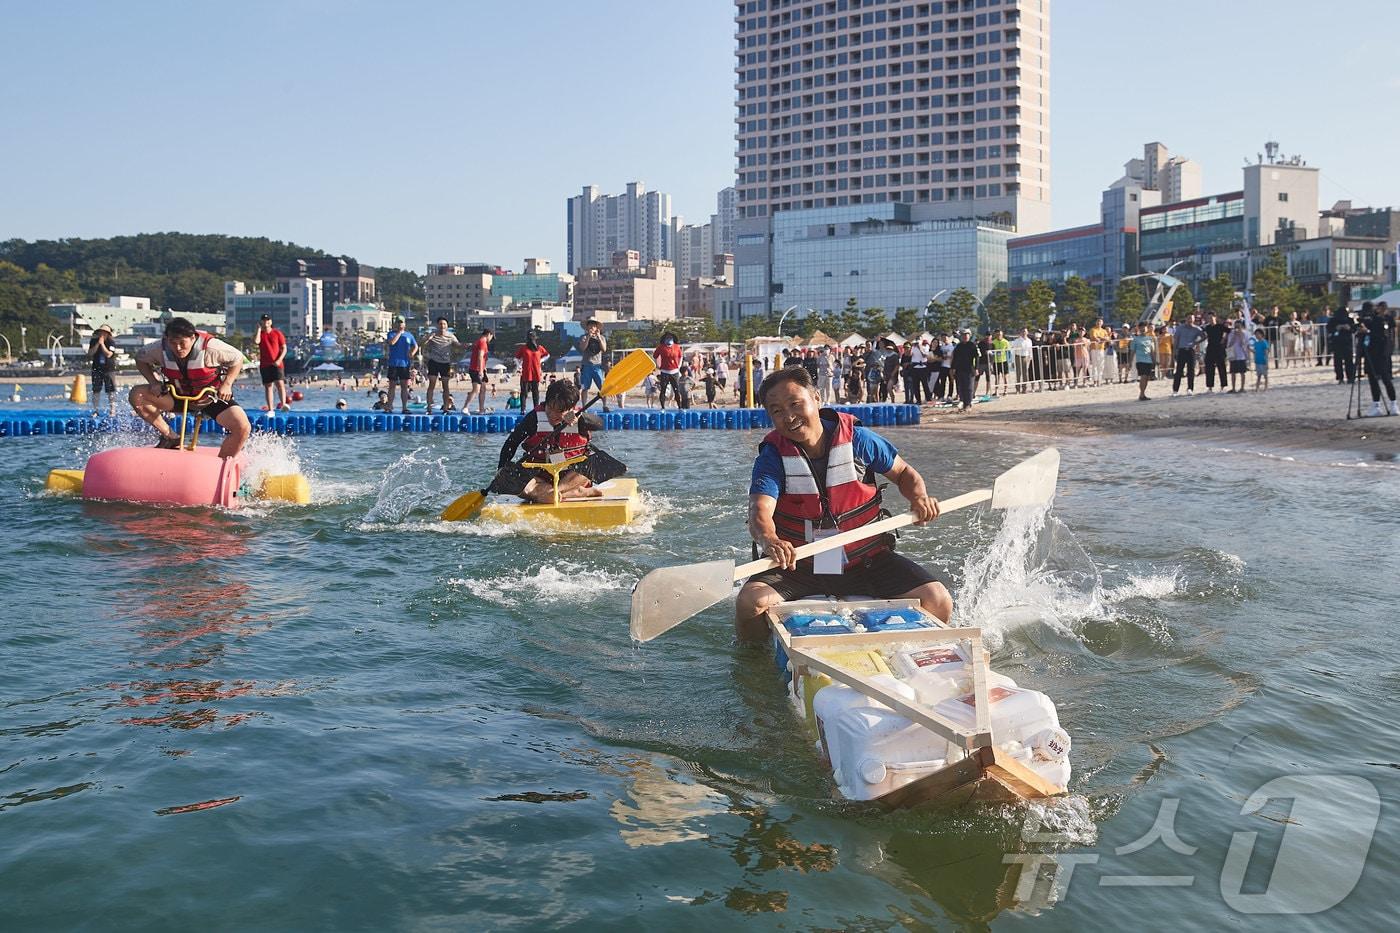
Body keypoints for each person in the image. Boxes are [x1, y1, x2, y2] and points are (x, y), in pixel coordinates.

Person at [733, 365, 951, 641]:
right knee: (749, 603)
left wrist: (919, 498)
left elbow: (905, 474)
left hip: (867, 562)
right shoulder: (772, 456)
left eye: (795, 404)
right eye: (776, 411)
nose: (788, 417)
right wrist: (770, 540)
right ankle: (756, 657)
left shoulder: (859, 440)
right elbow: (759, 511)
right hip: (799, 567)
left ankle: (927, 654)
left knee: (937, 599)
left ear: (817, 399)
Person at [129, 317, 250, 458]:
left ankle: (221, 465)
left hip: (211, 398)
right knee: (137, 394)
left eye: (182, 343)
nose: (178, 348)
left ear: (192, 338)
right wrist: (154, 382)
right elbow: (140, 359)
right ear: (167, 339)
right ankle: (170, 436)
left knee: (242, 428)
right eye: (173, 343)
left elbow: (238, 358)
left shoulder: (212, 347)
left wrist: (227, 384)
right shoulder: (159, 349)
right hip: (177, 396)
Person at [495, 380, 623, 504]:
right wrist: (501, 469)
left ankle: (552, 494)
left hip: (572, 476)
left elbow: (600, 424)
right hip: (540, 476)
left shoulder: (580, 418)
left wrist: (580, 418)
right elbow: (511, 443)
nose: (552, 414)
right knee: (514, 482)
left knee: (593, 464)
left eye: (559, 411)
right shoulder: (534, 418)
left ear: (571, 408)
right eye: (550, 408)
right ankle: (572, 493)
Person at [1358, 301, 1397, 416]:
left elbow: (1381, 336)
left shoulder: (1381, 320)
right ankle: (1376, 405)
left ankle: (1393, 404)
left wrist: (1368, 331)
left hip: (1381, 354)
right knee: (1373, 380)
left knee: (1386, 378)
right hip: (1370, 354)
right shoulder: (1369, 320)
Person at [419, 317, 462, 413]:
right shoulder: (433, 334)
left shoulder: (451, 336)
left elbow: (458, 345)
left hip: (445, 363)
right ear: (437, 325)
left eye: (444, 324)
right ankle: (429, 408)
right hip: (434, 361)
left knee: (445, 386)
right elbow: (422, 344)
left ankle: (446, 408)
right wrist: (428, 338)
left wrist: (465, 345)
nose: (442, 326)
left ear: (447, 326)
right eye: (440, 324)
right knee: (432, 385)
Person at [383, 315, 419, 414]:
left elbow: (416, 345)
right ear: (395, 324)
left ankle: (404, 407)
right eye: (398, 322)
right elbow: (392, 342)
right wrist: (399, 332)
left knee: (404, 386)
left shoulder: (409, 335)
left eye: (401, 322)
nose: (400, 324)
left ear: (404, 324)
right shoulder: (391, 334)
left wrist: (413, 352)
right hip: (393, 363)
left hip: (405, 364)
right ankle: (389, 406)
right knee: (392, 386)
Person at [256, 314, 291, 412]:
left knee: (280, 383)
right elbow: (256, 341)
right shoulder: (260, 334)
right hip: (265, 364)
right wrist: (258, 330)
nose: (266, 322)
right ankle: (271, 409)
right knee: (268, 386)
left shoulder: (277, 333)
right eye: (264, 320)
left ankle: (283, 404)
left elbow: (284, 348)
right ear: (261, 322)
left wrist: (279, 359)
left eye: (267, 320)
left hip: (277, 363)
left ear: (270, 322)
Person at [577, 319, 609, 411]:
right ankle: (584, 406)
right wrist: (588, 337)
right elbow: (583, 348)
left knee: (602, 388)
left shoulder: (602, 337)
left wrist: (598, 337)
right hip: (586, 365)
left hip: (597, 366)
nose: (592, 328)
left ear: (597, 328)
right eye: (590, 326)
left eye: (593, 326)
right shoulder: (583, 337)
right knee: (585, 387)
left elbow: (604, 349)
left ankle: (605, 405)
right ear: (587, 328)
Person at [87, 324, 118, 417]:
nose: (102, 334)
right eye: (101, 332)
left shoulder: (111, 342)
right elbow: (90, 353)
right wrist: (97, 344)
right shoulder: (93, 341)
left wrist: (102, 344)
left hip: (109, 369)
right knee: (96, 390)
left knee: (111, 390)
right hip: (97, 368)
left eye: (104, 333)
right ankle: (95, 410)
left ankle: (112, 410)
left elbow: (108, 354)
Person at [515, 331, 550, 410]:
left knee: (535, 391)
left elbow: (547, 355)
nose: (531, 339)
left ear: (535, 338)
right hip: (526, 372)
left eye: (533, 337)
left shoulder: (539, 348)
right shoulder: (524, 348)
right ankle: (523, 409)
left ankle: (536, 408)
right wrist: (519, 366)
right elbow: (516, 358)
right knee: (524, 392)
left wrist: (540, 361)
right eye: (530, 337)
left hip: (536, 372)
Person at [1171, 313, 1205, 397]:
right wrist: (1174, 351)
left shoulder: (1196, 329)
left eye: (1192, 319)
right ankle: (1175, 390)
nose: (1190, 320)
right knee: (1179, 370)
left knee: (1191, 370)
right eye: (1189, 318)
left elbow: (1204, 336)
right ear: (1186, 319)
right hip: (1182, 350)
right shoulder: (1180, 328)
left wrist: (1196, 342)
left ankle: (1190, 388)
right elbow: (1176, 339)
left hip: (1191, 350)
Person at [951, 327, 980, 411]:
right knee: (961, 387)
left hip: (969, 369)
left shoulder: (972, 345)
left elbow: (977, 357)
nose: (965, 336)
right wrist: (953, 368)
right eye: (963, 335)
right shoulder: (958, 346)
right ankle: (963, 402)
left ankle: (968, 404)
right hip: (959, 369)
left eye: (967, 335)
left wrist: (976, 368)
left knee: (969, 387)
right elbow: (955, 358)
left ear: (969, 336)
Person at [1201, 311, 1229, 393]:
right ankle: (1210, 387)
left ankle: (1223, 386)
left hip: (1219, 348)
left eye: (1211, 317)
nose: (1209, 319)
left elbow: (1229, 331)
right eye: (1208, 318)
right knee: (1209, 368)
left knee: (1221, 367)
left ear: (1215, 317)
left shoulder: (1220, 326)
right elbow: (1203, 335)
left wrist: (1224, 339)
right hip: (1210, 348)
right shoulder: (1207, 327)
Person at [654, 332, 683, 409]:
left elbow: (681, 356)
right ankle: (663, 407)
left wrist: (679, 366)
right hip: (664, 371)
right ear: (664, 339)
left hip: (675, 372)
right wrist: (658, 365)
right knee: (663, 390)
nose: (669, 339)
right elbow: (655, 356)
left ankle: (679, 407)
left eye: (670, 338)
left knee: (676, 390)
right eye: (667, 338)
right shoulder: (661, 347)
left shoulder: (677, 347)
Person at [1130, 322, 1157, 401]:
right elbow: (1132, 351)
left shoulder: (1150, 338)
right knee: (1143, 376)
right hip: (1140, 360)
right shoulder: (1136, 339)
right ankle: (1141, 394)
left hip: (1148, 360)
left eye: (1144, 327)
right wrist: (1130, 361)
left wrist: (1154, 360)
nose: (1143, 329)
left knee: (1147, 378)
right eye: (1141, 327)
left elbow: (1152, 351)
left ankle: (1143, 393)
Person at [1328, 306, 1356, 384]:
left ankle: (1350, 377)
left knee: (1349, 361)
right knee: (1338, 362)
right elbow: (1329, 328)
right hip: (1337, 342)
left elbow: (1354, 329)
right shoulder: (1333, 320)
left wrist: (1349, 328)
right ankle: (1340, 378)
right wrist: (1337, 328)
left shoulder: (1350, 320)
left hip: (1347, 342)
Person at [1225, 320, 1251, 393]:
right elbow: (1229, 344)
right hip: (1233, 355)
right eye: (1235, 326)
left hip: (1242, 355)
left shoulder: (1245, 334)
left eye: (1238, 326)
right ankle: (1233, 388)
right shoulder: (1231, 334)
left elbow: (1245, 344)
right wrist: (1234, 337)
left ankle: (1242, 388)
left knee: (1242, 372)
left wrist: (1240, 336)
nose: (1237, 328)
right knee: (1233, 372)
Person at [1010, 327, 1033, 393]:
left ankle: (1024, 388)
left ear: (1027, 332)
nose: (1024, 333)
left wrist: (1030, 357)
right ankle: (1017, 389)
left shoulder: (1029, 340)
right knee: (1018, 374)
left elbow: (1030, 350)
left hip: (1026, 357)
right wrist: (1012, 361)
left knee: (1025, 374)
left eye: (1025, 331)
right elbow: (1013, 351)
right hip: (1018, 357)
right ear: (1020, 332)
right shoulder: (1017, 341)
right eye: (1022, 331)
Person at [1251, 327, 1271, 392]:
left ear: (1262, 334)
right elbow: (1255, 351)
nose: (1256, 336)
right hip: (1258, 361)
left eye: (1258, 334)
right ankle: (1257, 388)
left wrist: (1267, 362)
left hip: (1263, 361)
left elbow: (1266, 352)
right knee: (1258, 376)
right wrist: (1249, 349)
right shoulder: (1256, 343)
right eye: (1256, 334)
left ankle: (1266, 387)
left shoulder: (1264, 342)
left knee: (1265, 376)